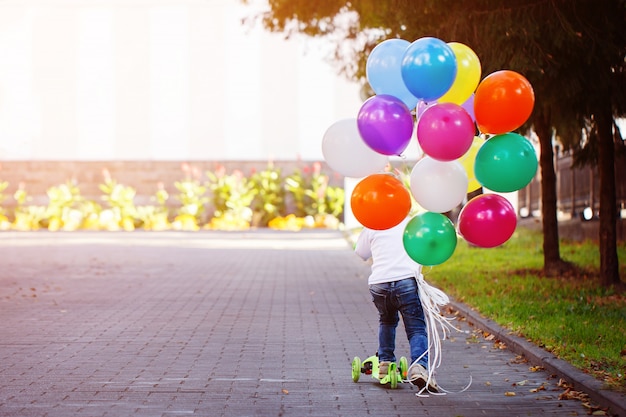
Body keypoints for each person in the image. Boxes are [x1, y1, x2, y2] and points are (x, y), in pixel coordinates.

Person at [354, 216, 440, 392]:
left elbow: (361, 252)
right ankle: (418, 367)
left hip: (379, 284)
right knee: (416, 327)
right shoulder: (414, 223)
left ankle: (385, 362)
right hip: (406, 282)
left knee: (386, 321)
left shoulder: (374, 223)